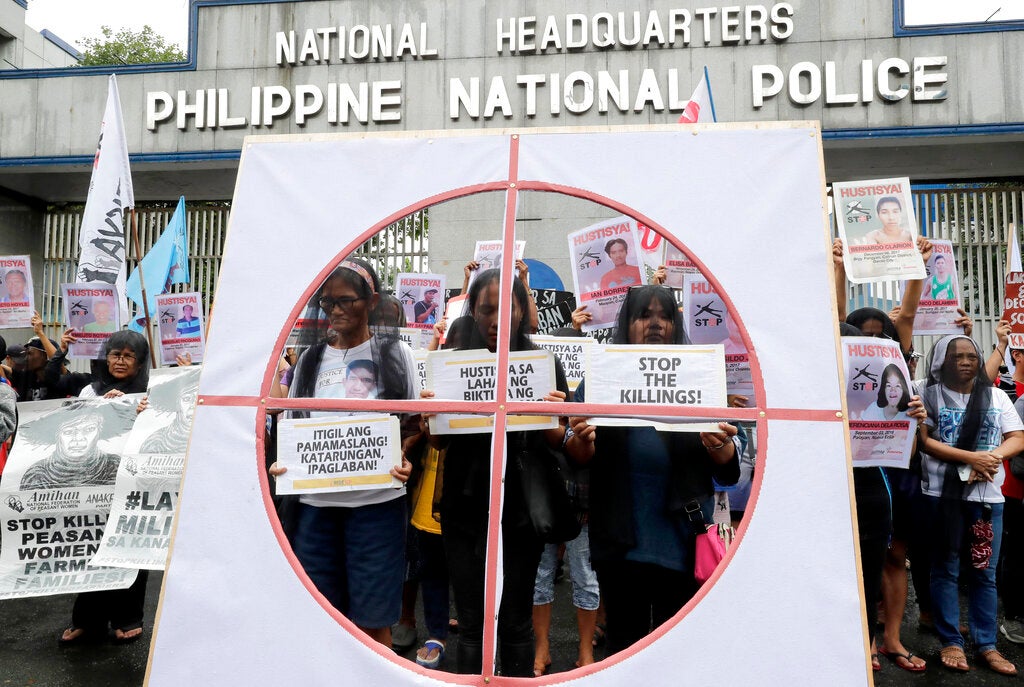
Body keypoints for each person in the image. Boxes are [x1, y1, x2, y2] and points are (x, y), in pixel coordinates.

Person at [565, 285, 740, 654]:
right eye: (644, 315)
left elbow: (728, 472)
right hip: (620, 544)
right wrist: (581, 441)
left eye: (665, 316)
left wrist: (720, 445)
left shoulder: (700, 376)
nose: (656, 324)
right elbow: (576, 454)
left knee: (675, 655)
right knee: (623, 648)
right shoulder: (602, 377)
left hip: (682, 541)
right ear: (627, 324)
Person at [420, 267, 568, 676]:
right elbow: (438, 442)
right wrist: (430, 418)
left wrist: (555, 417)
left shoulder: (543, 364)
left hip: (521, 510)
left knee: (516, 620)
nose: (495, 320)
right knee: (470, 621)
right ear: (472, 310)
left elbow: (558, 440)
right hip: (465, 510)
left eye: (506, 309)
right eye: (486, 310)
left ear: (523, 310)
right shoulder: (451, 366)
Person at [269, 258, 416, 649]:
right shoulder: (310, 361)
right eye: (327, 302)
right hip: (315, 510)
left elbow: (414, 423)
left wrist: (404, 454)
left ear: (371, 302)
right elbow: (291, 424)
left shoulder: (399, 356)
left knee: (374, 622)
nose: (334, 310)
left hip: (378, 507)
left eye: (345, 301)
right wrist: (283, 464)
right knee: (319, 617)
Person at [918, 334, 1024, 675]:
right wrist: (972, 460)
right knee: (946, 568)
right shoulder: (928, 395)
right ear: (942, 362)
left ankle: (986, 645)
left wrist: (990, 458)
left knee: (985, 573)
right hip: (940, 496)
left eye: (971, 355)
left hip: (989, 499)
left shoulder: (995, 397)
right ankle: (951, 640)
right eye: (957, 356)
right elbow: (925, 442)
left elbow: (1017, 438)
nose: (965, 361)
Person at [57, 330, 152, 646]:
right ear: (104, 357)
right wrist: (101, 407)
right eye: (115, 354)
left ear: (140, 364)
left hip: (132, 482)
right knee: (91, 546)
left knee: (130, 544)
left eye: (129, 356)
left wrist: (136, 410)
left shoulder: (150, 394)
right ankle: (88, 619)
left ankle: (127, 618)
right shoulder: (89, 391)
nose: (121, 361)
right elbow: (72, 428)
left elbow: (160, 431)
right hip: (93, 484)